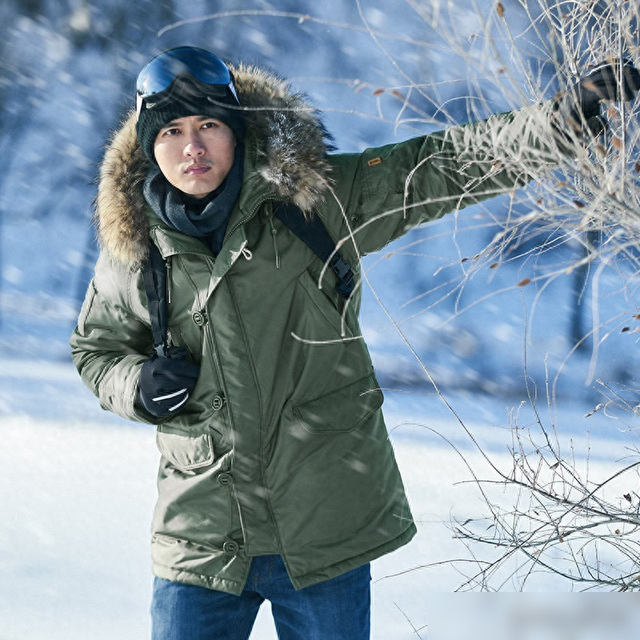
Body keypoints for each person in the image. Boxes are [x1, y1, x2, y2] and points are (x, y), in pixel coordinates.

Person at [70, 46, 639, 639]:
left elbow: (441, 164)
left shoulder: (313, 198)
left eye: (209, 125)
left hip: (323, 524)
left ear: (236, 130)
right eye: (173, 132)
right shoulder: (134, 244)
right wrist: (134, 384)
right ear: (147, 144)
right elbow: (96, 351)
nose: (193, 147)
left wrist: (557, 122)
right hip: (202, 537)